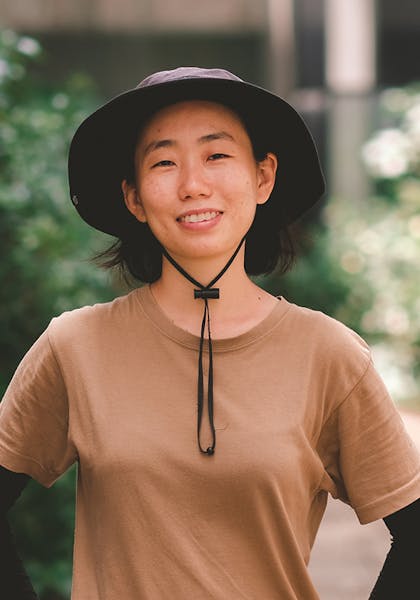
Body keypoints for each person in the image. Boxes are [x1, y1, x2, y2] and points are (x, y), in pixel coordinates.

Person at [0, 66, 419, 600]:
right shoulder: (74, 347)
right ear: (134, 197)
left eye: (217, 155)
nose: (193, 185)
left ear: (263, 177)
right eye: (164, 162)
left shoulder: (329, 355)